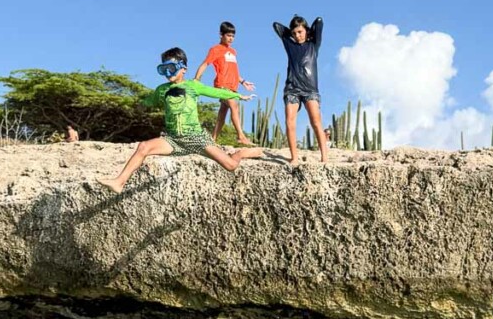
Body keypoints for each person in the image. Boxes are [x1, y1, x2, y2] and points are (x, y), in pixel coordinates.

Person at [98, 48, 262, 193]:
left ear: (183, 68)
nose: (168, 73)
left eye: (171, 68)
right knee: (143, 147)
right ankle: (119, 182)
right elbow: (149, 102)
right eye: (164, 69)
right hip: (172, 139)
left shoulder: (193, 86)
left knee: (231, 166)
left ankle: (241, 153)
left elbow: (216, 92)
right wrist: (138, 105)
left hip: (196, 138)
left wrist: (239, 95)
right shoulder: (161, 90)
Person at [273, 15, 329, 165]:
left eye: (300, 32)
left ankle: (324, 156)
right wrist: (291, 30)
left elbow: (319, 22)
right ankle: (294, 157)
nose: (297, 35)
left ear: (306, 31)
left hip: (310, 89)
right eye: (294, 33)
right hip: (292, 88)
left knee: (316, 122)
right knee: (290, 122)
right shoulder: (289, 44)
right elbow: (276, 25)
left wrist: (310, 30)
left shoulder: (314, 45)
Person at [193, 21, 256, 146]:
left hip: (233, 86)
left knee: (222, 114)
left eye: (233, 36)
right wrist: (196, 79)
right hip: (222, 85)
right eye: (228, 35)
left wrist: (243, 82)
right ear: (221, 35)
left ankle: (213, 139)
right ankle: (241, 136)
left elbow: (232, 70)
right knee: (234, 105)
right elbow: (205, 63)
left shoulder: (233, 51)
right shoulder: (215, 49)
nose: (231, 38)